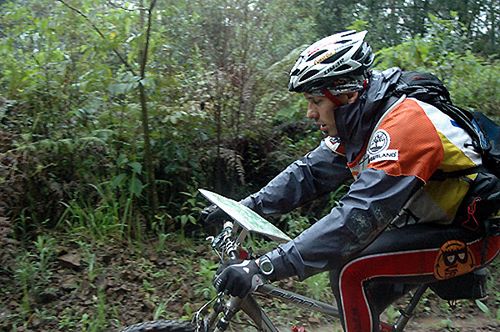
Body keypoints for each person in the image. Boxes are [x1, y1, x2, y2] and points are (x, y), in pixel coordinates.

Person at [202, 30, 499, 332]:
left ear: (347, 93)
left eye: (316, 100)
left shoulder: (407, 125)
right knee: (351, 290)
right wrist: (244, 207)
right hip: (427, 225)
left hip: (471, 232)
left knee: (351, 272)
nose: (309, 113)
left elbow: (359, 216)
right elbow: (308, 174)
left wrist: (265, 267)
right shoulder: (360, 119)